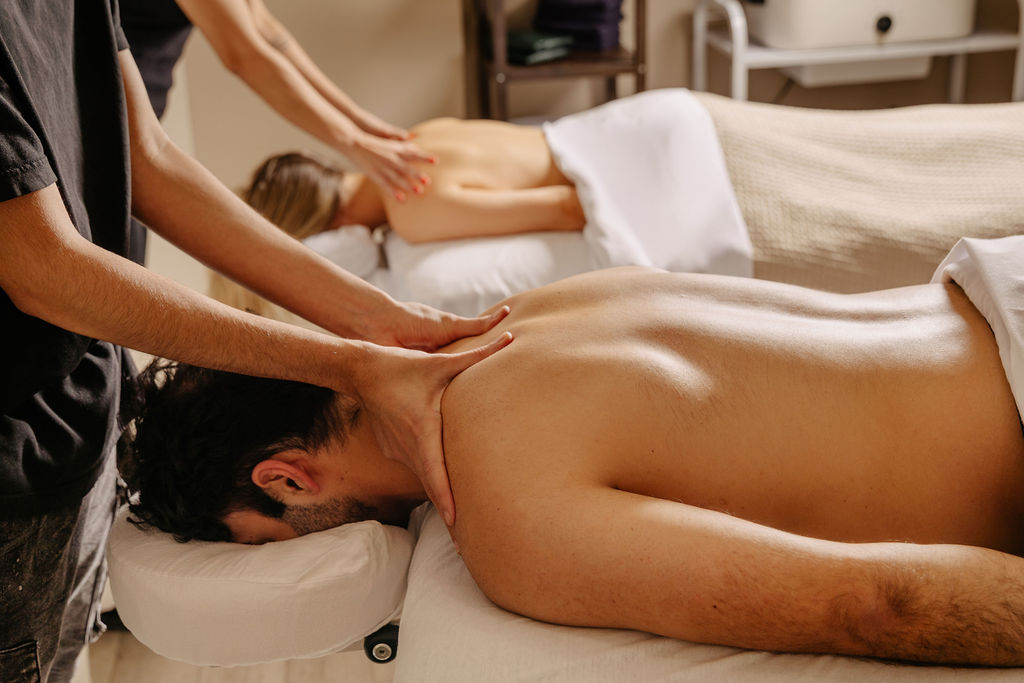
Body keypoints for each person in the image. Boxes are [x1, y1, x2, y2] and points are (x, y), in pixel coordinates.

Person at [124, 249, 1024, 667]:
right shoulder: (527, 313)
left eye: (261, 541)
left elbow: (876, 604)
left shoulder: (506, 516)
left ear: (285, 477)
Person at [0, 3, 508, 681]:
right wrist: (350, 360)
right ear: (287, 477)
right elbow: (45, 267)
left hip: (84, 397)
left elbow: (147, 160)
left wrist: (369, 316)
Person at [118, 0, 434, 263]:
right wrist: (353, 142)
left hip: (134, 118)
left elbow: (266, 31)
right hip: (107, 119)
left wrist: (358, 122)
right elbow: (244, 54)